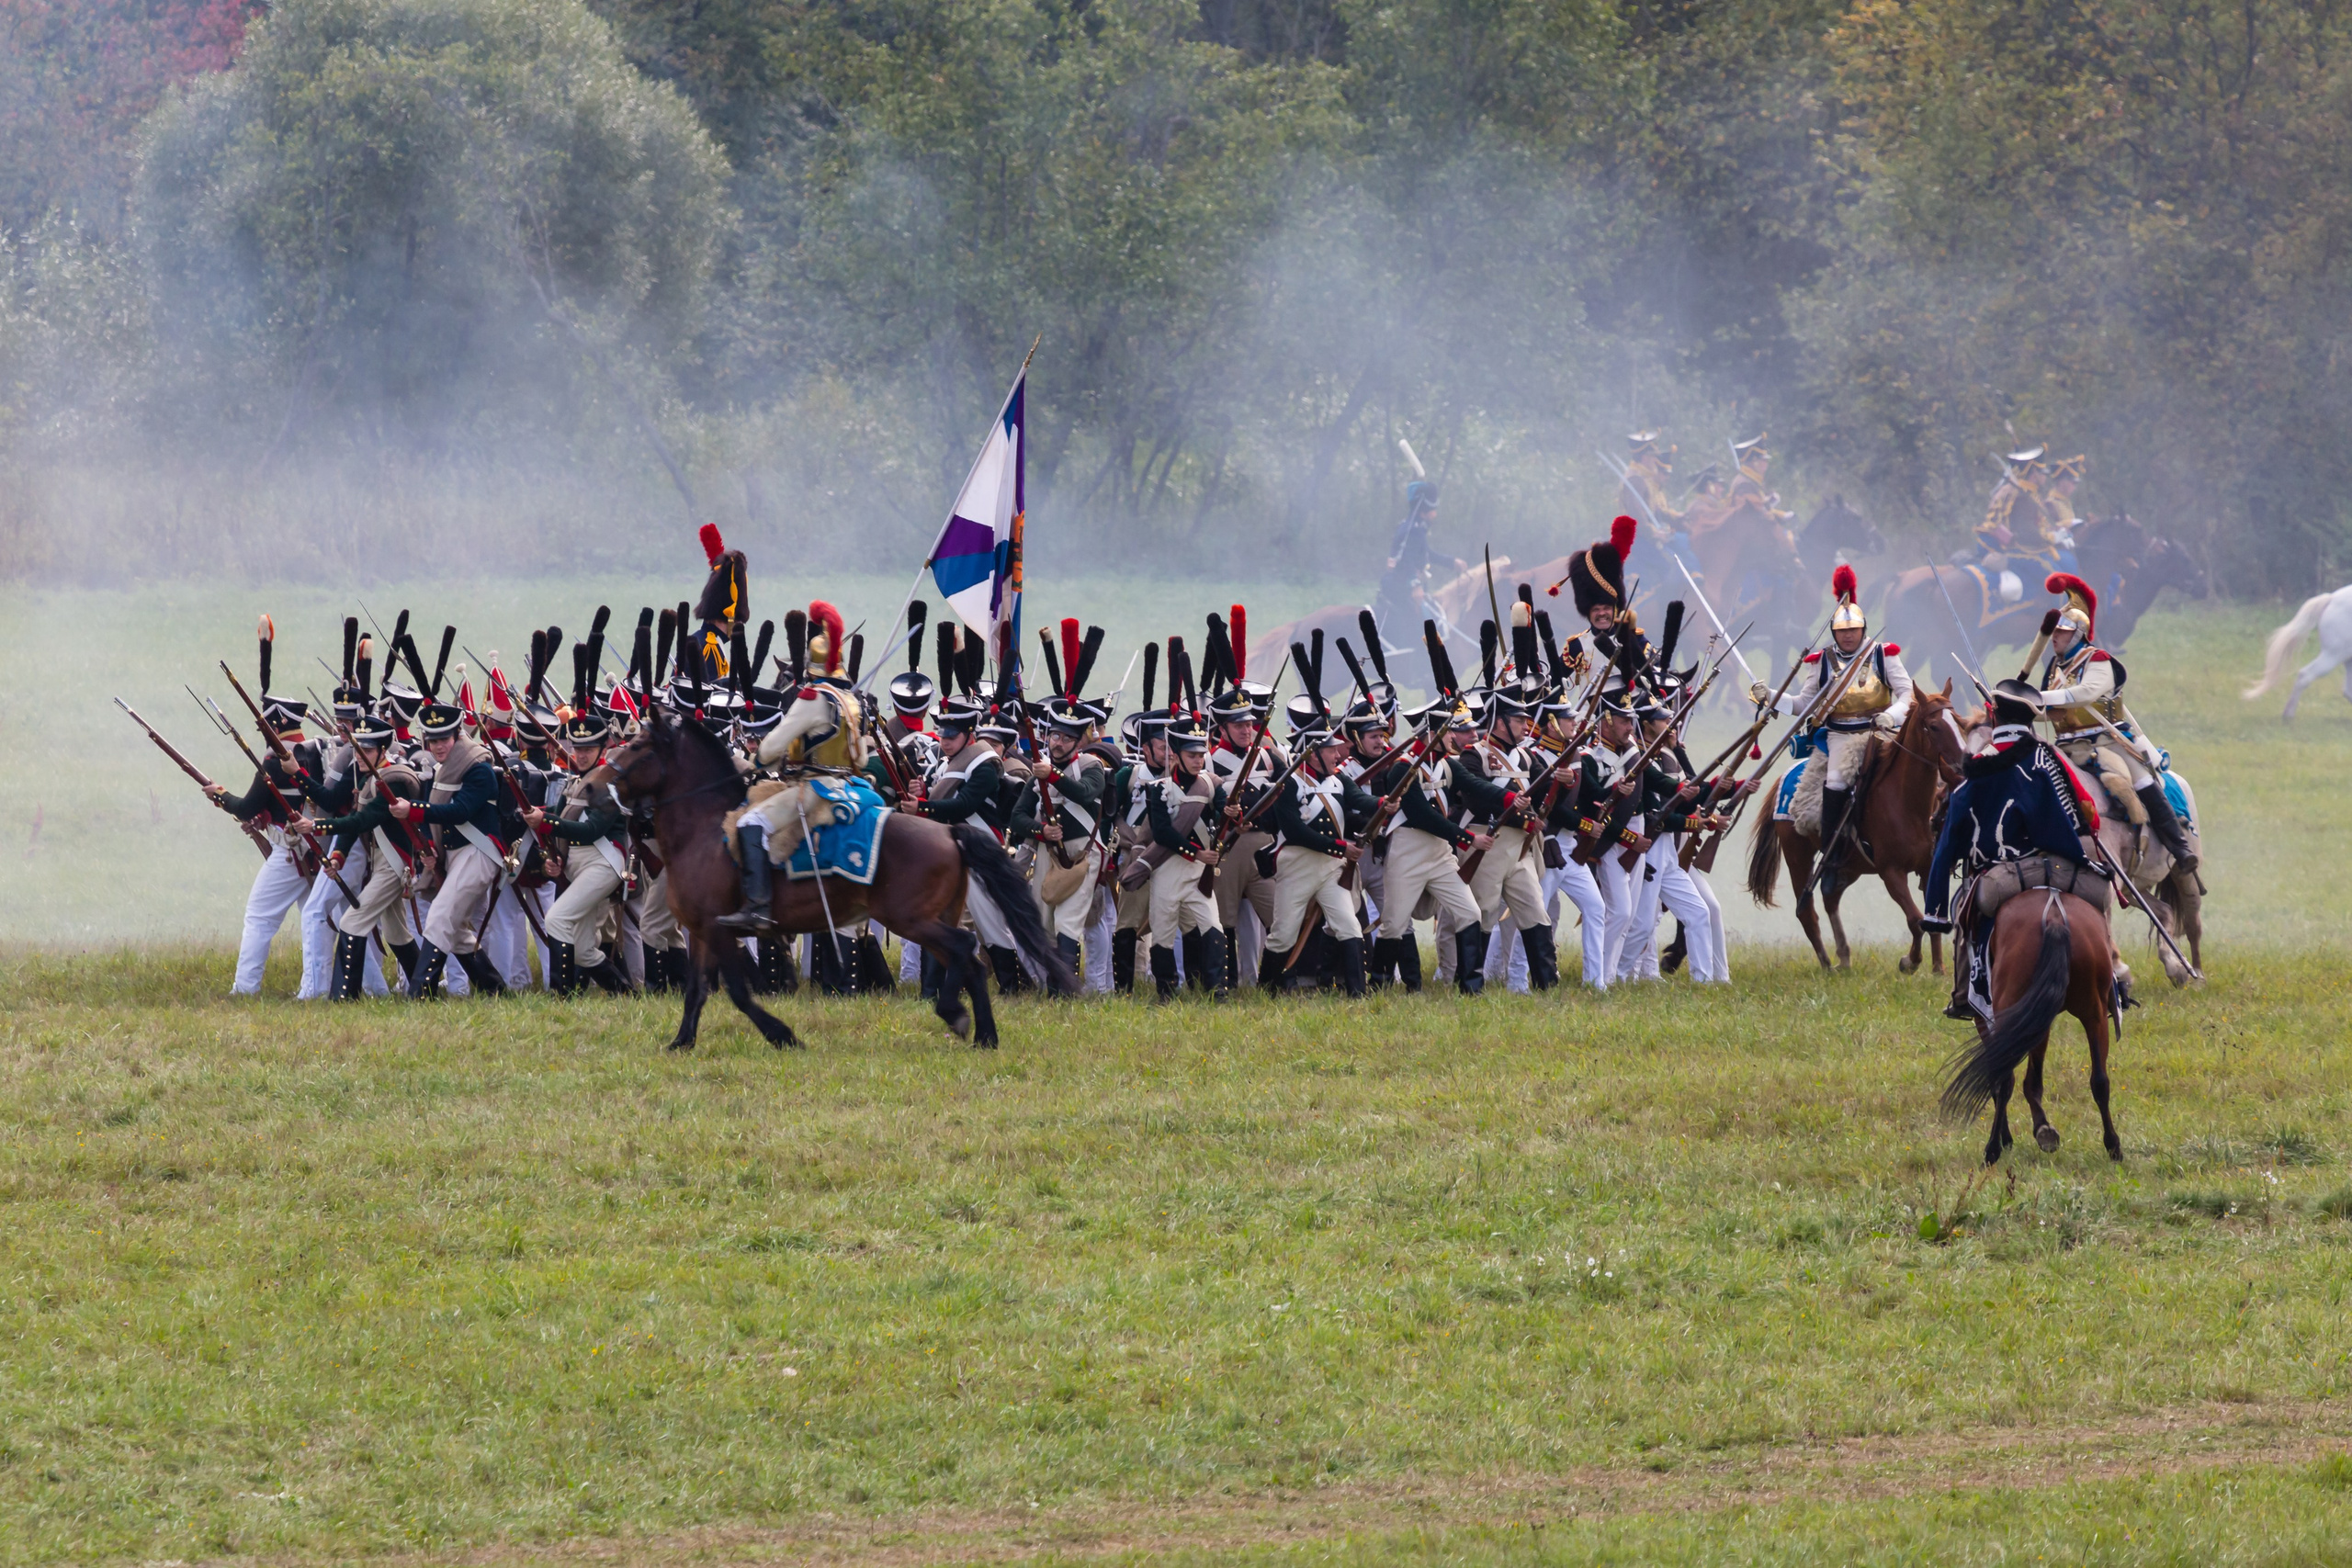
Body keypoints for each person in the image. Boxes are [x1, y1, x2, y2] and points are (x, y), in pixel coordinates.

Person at [1922, 680, 2109, 1021]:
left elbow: (1948, 844)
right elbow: (2084, 810)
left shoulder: (1975, 771)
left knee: (1969, 921)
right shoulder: (2050, 759)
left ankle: (1965, 995)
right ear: (2031, 720)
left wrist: (1935, 911)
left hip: (2000, 877)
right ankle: (2110, 986)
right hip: (2057, 866)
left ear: (1994, 719)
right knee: (2098, 903)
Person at [1752, 563, 1913, 881]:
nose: (1849, 636)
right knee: (1836, 783)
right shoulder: (1821, 662)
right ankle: (1834, 852)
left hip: (1882, 731)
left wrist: (1890, 715)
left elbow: (1909, 696)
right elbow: (1802, 704)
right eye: (1843, 631)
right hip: (1840, 736)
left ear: (1863, 630)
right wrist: (1769, 696)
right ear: (1835, 633)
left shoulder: (1883, 655)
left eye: (1853, 631)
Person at [2038, 572, 2198, 873]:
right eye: (2054, 632)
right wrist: (2015, 705)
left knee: (2142, 781)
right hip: (2065, 745)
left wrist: (2040, 698)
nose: (2054, 637)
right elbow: (2043, 710)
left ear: (2076, 635)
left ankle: (2179, 845)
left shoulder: (2098, 660)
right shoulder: (2053, 670)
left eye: (2061, 632)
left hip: (2107, 740)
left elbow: (2085, 694)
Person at [1374, 701, 1500, 994]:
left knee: (1470, 912)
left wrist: (1510, 800)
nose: (1454, 737)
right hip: (1409, 852)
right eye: (1447, 732)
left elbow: (1476, 786)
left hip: (1440, 854)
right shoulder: (1402, 768)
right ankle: (1378, 986)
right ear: (1431, 733)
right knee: (1393, 924)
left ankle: (1472, 988)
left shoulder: (1445, 764)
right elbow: (1422, 815)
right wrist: (1468, 839)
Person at [388, 699, 511, 998]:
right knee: (454, 932)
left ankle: (419, 994)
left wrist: (413, 809)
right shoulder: (441, 771)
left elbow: (460, 812)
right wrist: (428, 846)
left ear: (457, 735)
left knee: (440, 916)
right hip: (455, 854)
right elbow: (434, 818)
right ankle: (494, 989)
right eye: (433, 740)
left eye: (444, 738)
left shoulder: (478, 769)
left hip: (479, 852)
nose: (439, 746)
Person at [1262, 709, 1375, 996]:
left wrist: (1384, 803)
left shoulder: (1339, 781)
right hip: (1298, 865)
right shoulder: (1289, 783)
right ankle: (1268, 988)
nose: (1337, 755)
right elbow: (1296, 832)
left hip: (1330, 867)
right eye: (1330, 750)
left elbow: (1361, 799)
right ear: (1313, 754)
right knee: (1284, 933)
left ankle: (1357, 994)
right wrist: (1341, 846)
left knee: (1349, 926)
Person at [524, 707, 635, 996]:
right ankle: (626, 994)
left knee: (556, 919)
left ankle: (563, 996)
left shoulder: (611, 784)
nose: (581, 754)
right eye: (577, 748)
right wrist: (555, 861)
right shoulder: (573, 783)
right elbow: (562, 833)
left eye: (588, 748)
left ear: (602, 748)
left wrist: (545, 821)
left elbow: (592, 831)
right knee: (584, 950)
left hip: (604, 863)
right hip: (577, 864)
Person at [1139, 715, 1228, 1000]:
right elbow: (1162, 834)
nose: (1198, 761)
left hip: (1199, 872)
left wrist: (1232, 815)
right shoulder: (1158, 790)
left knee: (1212, 927)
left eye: (1201, 755)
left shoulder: (1211, 785)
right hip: (1168, 869)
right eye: (1192, 755)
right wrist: (1196, 852)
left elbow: (1225, 812)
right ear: (1176, 755)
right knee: (1163, 932)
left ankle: (1217, 991)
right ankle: (1165, 992)